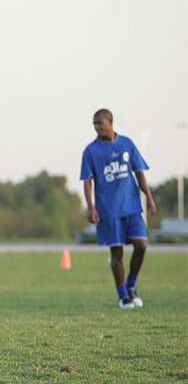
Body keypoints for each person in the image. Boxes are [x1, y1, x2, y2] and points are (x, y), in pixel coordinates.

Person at [80, 109, 156, 309]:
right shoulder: (91, 151)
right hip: (108, 210)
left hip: (131, 207)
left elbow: (139, 172)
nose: (97, 127)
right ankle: (123, 296)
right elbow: (87, 182)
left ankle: (131, 286)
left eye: (100, 123)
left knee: (141, 245)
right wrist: (91, 208)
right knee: (117, 253)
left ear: (110, 122)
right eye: (94, 124)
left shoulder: (127, 144)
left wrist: (148, 195)